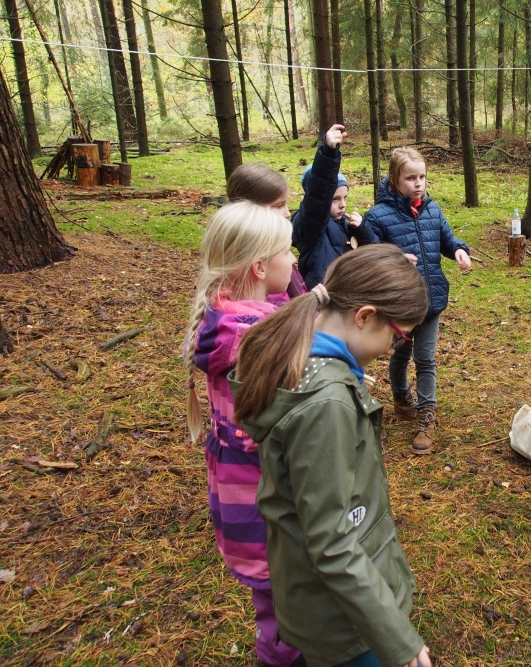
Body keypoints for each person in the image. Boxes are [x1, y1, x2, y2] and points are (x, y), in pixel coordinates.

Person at [231, 244, 433, 667]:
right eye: (398, 338)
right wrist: (398, 641)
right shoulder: (326, 403)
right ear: (364, 316)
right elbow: (333, 541)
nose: (397, 349)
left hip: (329, 602)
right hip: (345, 625)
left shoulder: (302, 356)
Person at [182, 201, 303, 667]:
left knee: (275, 608)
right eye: (287, 253)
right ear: (258, 266)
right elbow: (273, 430)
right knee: (286, 619)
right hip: (264, 508)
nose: (293, 262)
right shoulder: (254, 341)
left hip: (241, 501)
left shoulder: (229, 319)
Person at [362, 147, 472, 454]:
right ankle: (400, 397)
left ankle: (427, 414)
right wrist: (394, 259)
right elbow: (369, 257)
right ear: (394, 178)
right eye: (411, 178)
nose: (418, 183)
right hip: (399, 303)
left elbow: (448, 240)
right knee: (400, 354)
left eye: (422, 176)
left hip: (431, 298)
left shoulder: (432, 210)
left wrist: (460, 251)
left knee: (425, 358)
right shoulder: (377, 217)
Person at [292, 124, 378, 289]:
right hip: (324, 302)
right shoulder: (311, 227)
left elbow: (372, 256)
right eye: (335, 199)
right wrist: (328, 153)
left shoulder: (346, 226)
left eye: (344, 198)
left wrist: (363, 230)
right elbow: (318, 196)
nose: (342, 204)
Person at [227, 162, 307, 300]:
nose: (288, 213)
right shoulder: (259, 269)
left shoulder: (278, 255)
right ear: (253, 210)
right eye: (279, 205)